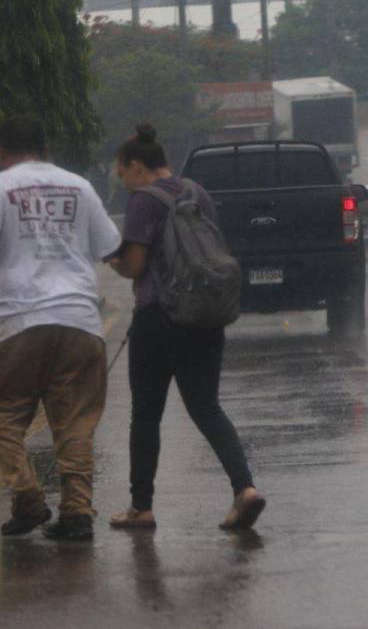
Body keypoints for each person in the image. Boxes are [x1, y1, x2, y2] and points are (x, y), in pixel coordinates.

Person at [107, 124, 265, 531]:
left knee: (145, 414)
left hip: (158, 318)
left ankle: (141, 508)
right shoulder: (197, 192)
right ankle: (244, 488)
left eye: (122, 174)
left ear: (135, 165)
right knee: (207, 407)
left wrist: (115, 260)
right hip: (204, 315)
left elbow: (136, 265)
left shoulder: (143, 201)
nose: (124, 183)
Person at [0, 115, 121, 541]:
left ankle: (29, 498)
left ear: (3, 151)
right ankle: (76, 512)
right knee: (75, 424)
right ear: (44, 146)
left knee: (6, 418)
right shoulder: (80, 187)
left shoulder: (1, 188)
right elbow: (110, 248)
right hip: (80, 322)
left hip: (19, 323)